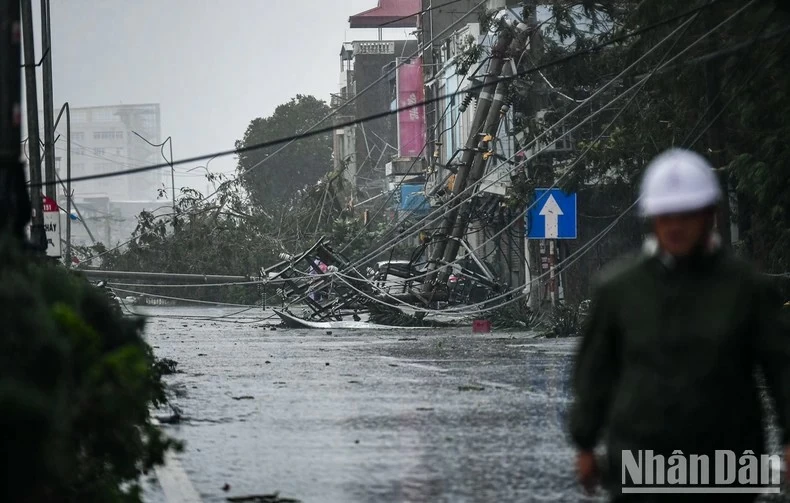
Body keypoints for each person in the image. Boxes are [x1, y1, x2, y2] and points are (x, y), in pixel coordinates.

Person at [568, 148, 790, 501]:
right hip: (640, 460)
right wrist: (584, 443)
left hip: (727, 463)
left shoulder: (747, 289)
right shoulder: (618, 290)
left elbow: (781, 368)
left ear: (710, 216)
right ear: (652, 218)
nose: (675, 225)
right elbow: (595, 371)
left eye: (687, 215)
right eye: (665, 215)